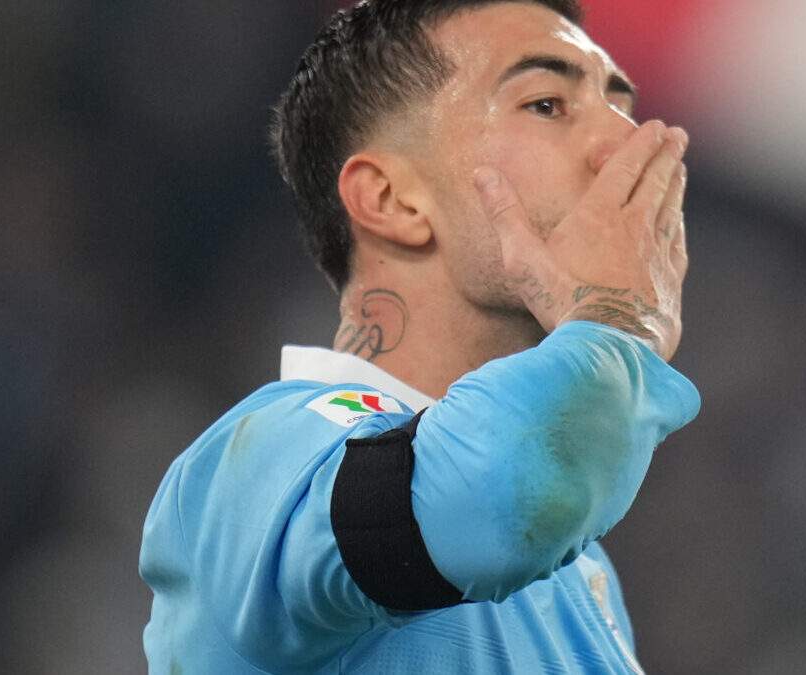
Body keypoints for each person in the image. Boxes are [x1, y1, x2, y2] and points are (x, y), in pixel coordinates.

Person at [139, 0, 699, 672]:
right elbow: (487, 494)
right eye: (547, 104)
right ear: (391, 200)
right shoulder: (261, 465)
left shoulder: (581, 572)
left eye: (620, 106)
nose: (627, 142)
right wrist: (614, 318)